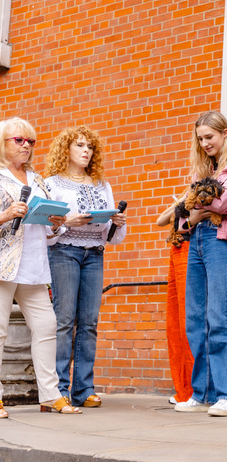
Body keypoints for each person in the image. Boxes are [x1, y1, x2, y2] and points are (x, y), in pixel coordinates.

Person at [173, 111, 227, 417]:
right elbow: (184, 216)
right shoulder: (204, 168)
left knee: (222, 315)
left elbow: (224, 204)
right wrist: (193, 211)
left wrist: (196, 205)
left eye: (209, 137)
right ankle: (203, 392)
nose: (205, 143)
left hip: (221, 239)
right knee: (196, 318)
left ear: (224, 133)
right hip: (196, 239)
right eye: (200, 139)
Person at [0, 117, 81, 416]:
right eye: (19, 140)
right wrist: (6, 214)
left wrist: (56, 223)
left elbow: (47, 230)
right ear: (3, 143)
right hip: (3, 265)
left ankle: (50, 395)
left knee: (47, 327)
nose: (26, 146)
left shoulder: (38, 179)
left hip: (34, 264)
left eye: (31, 142)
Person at [44, 126, 127, 408]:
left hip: (94, 253)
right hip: (64, 252)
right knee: (64, 321)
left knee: (89, 323)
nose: (85, 151)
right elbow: (43, 227)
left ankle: (84, 388)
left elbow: (109, 235)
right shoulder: (52, 183)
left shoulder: (101, 185)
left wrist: (115, 223)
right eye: (79, 145)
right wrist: (66, 222)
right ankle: (58, 389)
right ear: (65, 149)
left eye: (90, 147)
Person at [156, 190, 194, 405]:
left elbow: (189, 225)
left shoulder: (205, 194)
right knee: (175, 325)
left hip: (189, 251)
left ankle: (191, 389)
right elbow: (160, 220)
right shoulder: (187, 197)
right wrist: (181, 201)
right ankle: (182, 387)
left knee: (188, 323)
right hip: (177, 250)